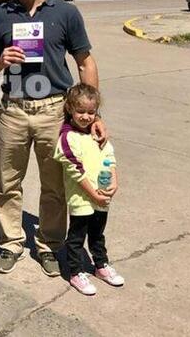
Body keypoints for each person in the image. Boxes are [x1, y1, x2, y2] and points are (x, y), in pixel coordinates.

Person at [0, 0, 107, 277]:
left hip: (54, 110)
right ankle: (10, 243)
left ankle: (50, 245)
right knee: (9, 182)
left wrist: (94, 116)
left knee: (54, 185)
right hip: (14, 111)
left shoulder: (66, 13)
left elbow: (85, 62)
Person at [54, 83, 123, 295]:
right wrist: (93, 194)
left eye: (91, 112)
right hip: (82, 198)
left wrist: (114, 182)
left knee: (97, 234)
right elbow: (75, 169)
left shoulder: (98, 134)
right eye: (80, 111)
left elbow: (109, 158)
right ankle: (75, 272)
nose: (85, 116)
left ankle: (101, 265)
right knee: (76, 237)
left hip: (102, 196)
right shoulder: (67, 138)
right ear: (69, 109)